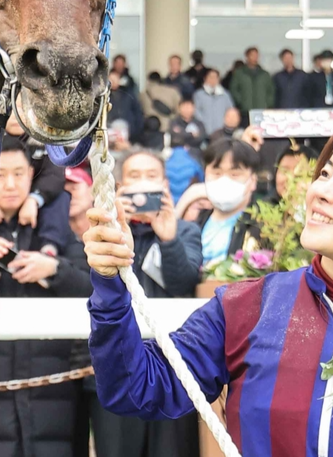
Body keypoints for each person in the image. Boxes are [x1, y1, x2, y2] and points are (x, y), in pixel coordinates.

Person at [83, 117, 333, 455]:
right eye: (326, 173)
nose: (319, 191)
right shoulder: (245, 307)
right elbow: (135, 388)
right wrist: (109, 281)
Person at [89, 147, 203, 457]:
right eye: (134, 177)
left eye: (152, 177)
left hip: (171, 367)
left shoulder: (186, 231)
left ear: (166, 185)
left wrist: (169, 238)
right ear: (120, 187)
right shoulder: (104, 234)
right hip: (121, 365)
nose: (143, 185)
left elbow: (184, 283)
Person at [0, 137, 91, 457]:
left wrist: (53, 269)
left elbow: (95, 289)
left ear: (32, 176)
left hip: (55, 385)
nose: (9, 184)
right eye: (0, 174)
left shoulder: (56, 232)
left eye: (19, 173)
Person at [175, 139, 263, 267]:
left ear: (253, 180)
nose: (224, 180)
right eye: (217, 173)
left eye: (234, 174)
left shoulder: (262, 227)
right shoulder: (195, 223)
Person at [4, 118, 73, 252]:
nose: (14, 115)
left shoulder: (46, 138)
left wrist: (34, 199)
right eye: (10, 108)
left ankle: (49, 246)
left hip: (38, 196)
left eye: (22, 107)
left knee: (61, 197)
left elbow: (55, 175)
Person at [230, 47, 274, 125]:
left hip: (261, 112)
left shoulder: (264, 74)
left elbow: (270, 91)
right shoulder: (239, 73)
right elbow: (234, 89)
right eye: (252, 55)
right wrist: (241, 102)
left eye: (257, 55)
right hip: (245, 112)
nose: (255, 58)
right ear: (247, 57)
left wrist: (268, 104)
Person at [193, 69, 234, 137]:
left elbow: (230, 110)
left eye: (215, 77)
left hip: (222, 131)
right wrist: (203, 124)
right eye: (210, 77)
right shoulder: (199, 95)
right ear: (205, 79)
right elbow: (196, 111)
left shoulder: (225, 95)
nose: (213, 80)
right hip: (204, 132)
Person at [108, 71, 144, 140]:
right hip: (110, 130)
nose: (113, 82)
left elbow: (137, 111)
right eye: (111, 79)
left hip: (129, 130)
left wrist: (136, 129)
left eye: (115, 79)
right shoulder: (105, 96)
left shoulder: (128, 93)